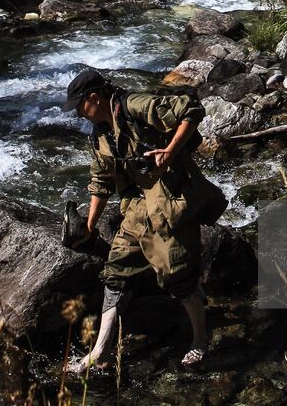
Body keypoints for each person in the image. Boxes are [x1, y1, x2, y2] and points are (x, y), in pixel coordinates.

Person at [62, 68, 213, 375]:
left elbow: (192, 109)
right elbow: (100, 181)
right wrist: (89, 227)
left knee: (178, 275)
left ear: (94, 98)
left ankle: (200, 339)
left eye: (80, 107)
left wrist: (169, 153)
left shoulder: (134, 105)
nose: (79, 114)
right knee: (115, 273)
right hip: (137, 208)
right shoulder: (100, 135)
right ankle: (100, 352)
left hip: (171, 200)